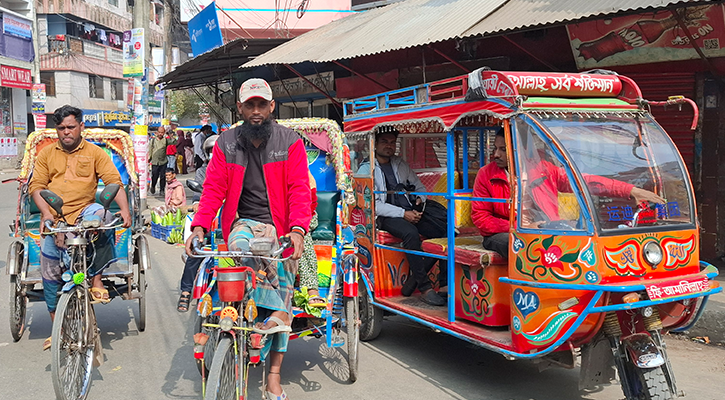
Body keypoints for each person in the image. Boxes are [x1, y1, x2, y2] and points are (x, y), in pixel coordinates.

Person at [186, 78, 311, 400]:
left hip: (279, 224)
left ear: (271, 108)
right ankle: (247, 318)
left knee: (279, 264)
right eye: (249, 105)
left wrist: (297, 230)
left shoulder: (290, 142)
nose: (256, 112)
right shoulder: (227, 143)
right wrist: (199, 226)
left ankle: (273, 373)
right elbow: (213, 189)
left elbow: (299, 190)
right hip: (241, 222)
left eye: (261, 105)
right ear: (240, 108)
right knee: (238, 251)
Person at [28, 105, 132, 350]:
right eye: (61, 128)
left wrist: (125, 210)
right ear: (57, 129)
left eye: (71, 127)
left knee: (102, 216)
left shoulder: (95, 153)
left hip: (86, 211)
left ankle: (96, 280)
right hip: (56, 215)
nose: (66, 132)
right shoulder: (45, 156)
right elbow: (36, 187)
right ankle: (58, 330)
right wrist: (45, 214)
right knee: (50, 273)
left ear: (81, 127)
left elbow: (114, 182)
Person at [472, 130, 665, 257]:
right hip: (505, 233)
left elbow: (584, 181)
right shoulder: (486, 174)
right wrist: (519, 226)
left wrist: (629, 190)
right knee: (526, 247)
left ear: (520, 150)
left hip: (547, 229)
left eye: (503, 150)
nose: (496, 155)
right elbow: (481, 218)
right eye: (495, 149)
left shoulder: (543, 169)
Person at [357, 129, 448, 306]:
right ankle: (424, 287)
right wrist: (402, 214)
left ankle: (442, 284)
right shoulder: (367, 169)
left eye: (392, 142)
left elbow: (420, 187)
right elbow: (374, 205)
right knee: (411, 234)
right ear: (374, 144)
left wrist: (419, 203)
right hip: (386, 216)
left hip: (409, 211)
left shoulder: (400, 164)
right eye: (385, 141)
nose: (389, 146)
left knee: (445, 231)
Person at [148, 126, 174, 195]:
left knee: (163, 176)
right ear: (157, 133)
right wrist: (148, 159)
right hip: (155, 162)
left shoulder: (166, 140)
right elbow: (150, 150)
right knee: (154, 176)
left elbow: (174, 142)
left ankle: (162, 190)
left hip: (163, 161)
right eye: (159, 132)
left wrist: (170, 135)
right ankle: (153, 186)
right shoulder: (152, 141)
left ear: (164, 133)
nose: (160, 134)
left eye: (162, 133)